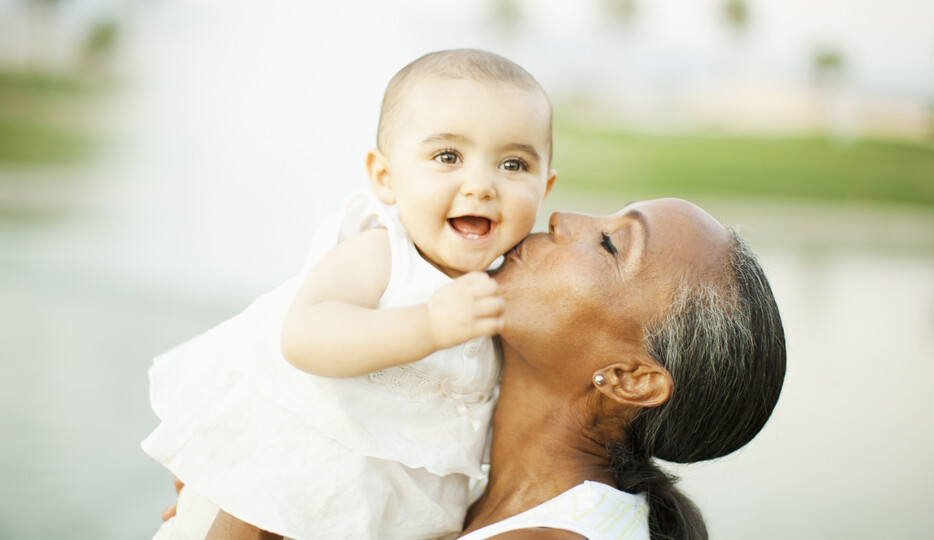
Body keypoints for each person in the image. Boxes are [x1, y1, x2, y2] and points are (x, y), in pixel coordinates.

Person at [142, 48, 556, 540]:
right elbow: (304, 336)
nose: (481, 184)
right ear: (386, 178)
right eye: (448, 157)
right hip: (281, 481)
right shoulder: (382, 253)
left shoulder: (506, 288)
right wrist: (428, 325)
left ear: (546, 187)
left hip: (392, 513)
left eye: (513, 164)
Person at [198, 198, 786, 539]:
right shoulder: (448, 485)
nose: (563, 217)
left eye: (610, 245)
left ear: (631, 379)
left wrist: (247, 504)